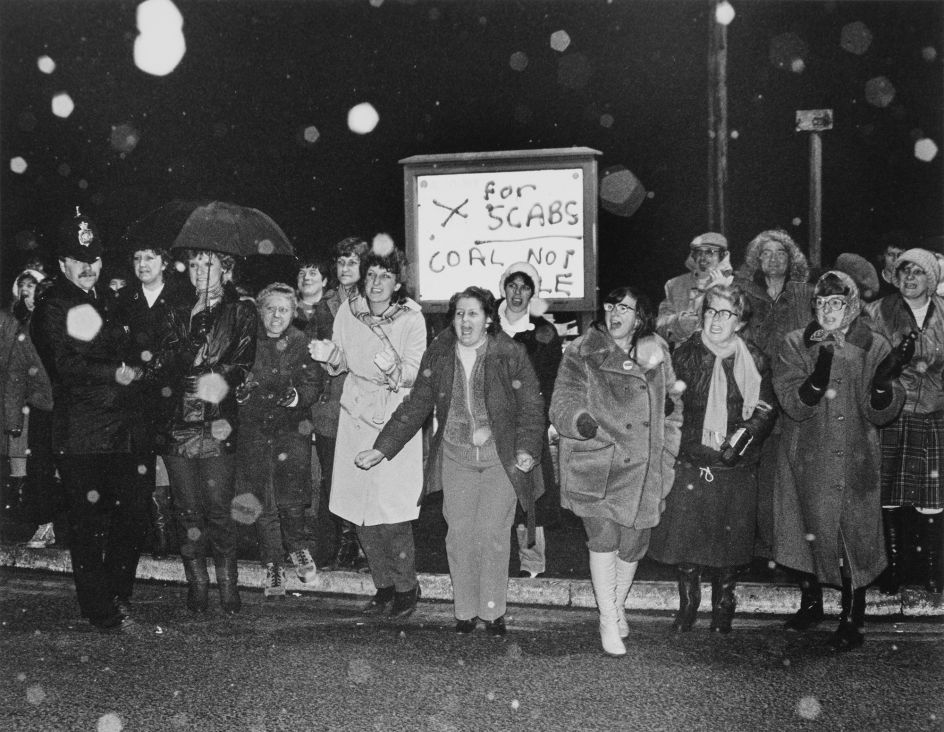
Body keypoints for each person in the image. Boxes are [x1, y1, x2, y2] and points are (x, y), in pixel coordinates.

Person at [357, 286, 545, 636]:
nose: (465, 320)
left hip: (500, 460)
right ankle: (465, 611)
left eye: (473, 313)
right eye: (459, 313)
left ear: (488, 318)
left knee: (491, 534)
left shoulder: (509, 353)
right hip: (456, 456)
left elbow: (531, 408)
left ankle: (492, 612)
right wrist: (382, 447)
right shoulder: (440, 355)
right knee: (459, 535)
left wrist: (527, 450)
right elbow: (416, 404)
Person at [773, 270, 906, 651]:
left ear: (851, 306)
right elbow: (791, 401)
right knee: (805, 530)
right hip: (806, 456)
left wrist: (882, 384)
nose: (828, 310)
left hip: (854, 456)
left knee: (852, 537)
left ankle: (852, 616)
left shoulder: (873, 344)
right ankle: (812, 603)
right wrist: (817, 375)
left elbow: (881, 412)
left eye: (837, 303)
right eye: (821, 302)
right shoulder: (797, 342)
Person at [30, 208, 149, 632]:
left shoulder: (110, 298)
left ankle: (116, 591)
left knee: (136, 511)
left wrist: (134, 360)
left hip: (122, 429)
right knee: (87, 524)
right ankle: (99, 608)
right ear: (62, 263)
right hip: (81, 432)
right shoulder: (52, 304)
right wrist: (114, 370)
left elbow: (133, 344)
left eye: (94, 260)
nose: (88, 268)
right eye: (78, 261)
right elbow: (64, 363)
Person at [551, 287, 683, 656]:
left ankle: (617, 604)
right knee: (604, 538)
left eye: (624, 307)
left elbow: (674, 407)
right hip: (598, 461)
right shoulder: (583, 351)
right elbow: (562, 401)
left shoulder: (656, 352)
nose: (615, 313)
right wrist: (582, 422)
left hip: (645, 467)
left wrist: (668, 452)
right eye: (611, 306)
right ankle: (608, 618)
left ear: (640, 315)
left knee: (635, 544)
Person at [648, 284, 777, 633]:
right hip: (694, 461)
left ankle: (724, 604)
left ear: (739, 321)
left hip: (737, 464)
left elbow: (765, 407)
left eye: (725, 313)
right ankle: (688, 604)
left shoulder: (755, 357)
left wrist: (743, 438)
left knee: (728, 544)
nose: (716, 320)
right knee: (687, 541)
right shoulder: (685, 354)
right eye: (710, 311)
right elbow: (670, 404)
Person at [309, 236, 426, 618]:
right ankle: (384, 585)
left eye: (385, 276)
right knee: (356, 506)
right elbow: (342, 361)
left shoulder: (412, 316)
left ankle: (407, 587)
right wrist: (330, 357)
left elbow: (416, 371)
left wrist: (395, 369)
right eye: (371, 274)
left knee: (390, 509)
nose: (376, 283)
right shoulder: (349, 310)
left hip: (393, 416)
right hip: (355, 412)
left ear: (397, 281)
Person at [157, 248, 258, 614]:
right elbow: (163, 360)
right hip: (177, 424)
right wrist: (192, 355)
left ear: (225, 269)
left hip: (217, 422)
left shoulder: (241, 310)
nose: (200, 270)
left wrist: (206, 370)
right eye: (196, 263)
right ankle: (196, 583)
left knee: (218, 510)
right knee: (186, 511)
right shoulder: (176, 310)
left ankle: (228, 586)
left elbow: (241, 362)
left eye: (209, 263)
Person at [236, 282, 323, 598]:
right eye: (270, 308)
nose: (276, 315)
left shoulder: (302, 342)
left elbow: (313, 384)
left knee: (291, 495)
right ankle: (272, 565)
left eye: (283, 309)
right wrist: (241, 392)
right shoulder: (246, 341)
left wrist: (297, 396)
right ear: (260, 311)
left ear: (293, 312)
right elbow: (233, 376)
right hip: (254, 428)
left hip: (291, 428)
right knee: (263, 497)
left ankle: (297, 548)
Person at [864, 249, 943, 594]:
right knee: (891, 492)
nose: (910, 279)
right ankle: (893, 569)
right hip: (896, 409)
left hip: (936, 411)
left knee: (932, 495)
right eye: (904, 273)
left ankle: (932, 571)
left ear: (932, 279)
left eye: (918, 273)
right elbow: (871, 360)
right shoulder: (879, 311)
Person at [733, 229, 813, 568]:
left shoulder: (805, 294)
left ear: (792, 259)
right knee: (757, 474)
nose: (775, 259)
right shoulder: (745, 294)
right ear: (757, 261)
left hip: (795, 393)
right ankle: (761, 549)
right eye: (767, 254)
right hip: (756, 393)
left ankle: (792, 552)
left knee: (792, 476)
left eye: (781, 253)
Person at [116, 244, 188, 557]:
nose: (142, 264)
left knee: (175, 467)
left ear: (164, 263)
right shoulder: (123, 300)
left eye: (150, 257)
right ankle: (153, 531)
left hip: (172, 396)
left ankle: (181, 532)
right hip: (136, 399)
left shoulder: (182, 298)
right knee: (140, 469)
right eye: (137, 257)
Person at [496, 262, 562, 579]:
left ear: (532, 292)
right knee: (492, 493)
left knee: (531, 492)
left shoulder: (546, 334)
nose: (518, 292)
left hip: (528, 422)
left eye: (525, 287)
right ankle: (494, 560)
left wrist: (539, 419)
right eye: (512, 285)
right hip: (491, 422)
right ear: (504, 289)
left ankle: (532, 562)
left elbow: (550, 382)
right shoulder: (486, 326)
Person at [311, 237, 370, 571]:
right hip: (331, 401)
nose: (345, 268)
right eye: (340, 262)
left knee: (362, 473)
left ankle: (364, 547)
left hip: (364, 401)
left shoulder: (375, 301)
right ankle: (343, 544)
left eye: (351, 262)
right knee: (334, 476)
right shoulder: (324, 303)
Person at [290, 255, 340, 568]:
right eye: (303, 270)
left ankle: (329, 548)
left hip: (326, 405)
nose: (307, 275)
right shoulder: (287, 310)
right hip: (293, 406)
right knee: (297, 476)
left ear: (325, 280)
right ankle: (300, 547)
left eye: (314, 270)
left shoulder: (334, 311)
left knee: (330, 478)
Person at [1, 308, 53, 539]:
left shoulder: (66, 324)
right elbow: (15, 376)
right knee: (38, 466)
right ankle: (44, 522)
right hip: (40, 406)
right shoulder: (25, 332)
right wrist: (13, 419)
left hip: (71, 407)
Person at [656, 232, 733, 348]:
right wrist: (678, 323)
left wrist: (721, 291)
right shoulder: (675, 284)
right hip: (682, 357)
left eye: (710, 252)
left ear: (723, 256)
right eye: (699, 252)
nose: (703, 257)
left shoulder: (733, 285)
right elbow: (660, 326)